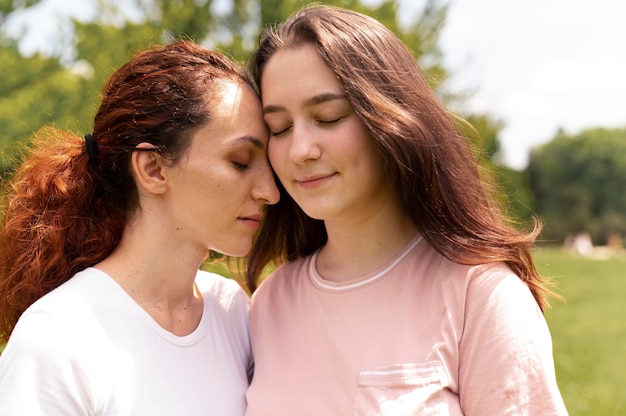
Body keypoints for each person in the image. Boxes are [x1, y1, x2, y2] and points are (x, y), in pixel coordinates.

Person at [244, 5, 568, 415]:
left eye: (328, 117)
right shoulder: (271, 303)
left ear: (390, 118)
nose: (300, 149)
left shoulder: (479, 295)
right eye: (279, 128)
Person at [0, 40, 279, 415]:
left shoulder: (233, 313)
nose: (270, 192)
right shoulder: (58, 336)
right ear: (152, 168)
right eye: (241, 162)